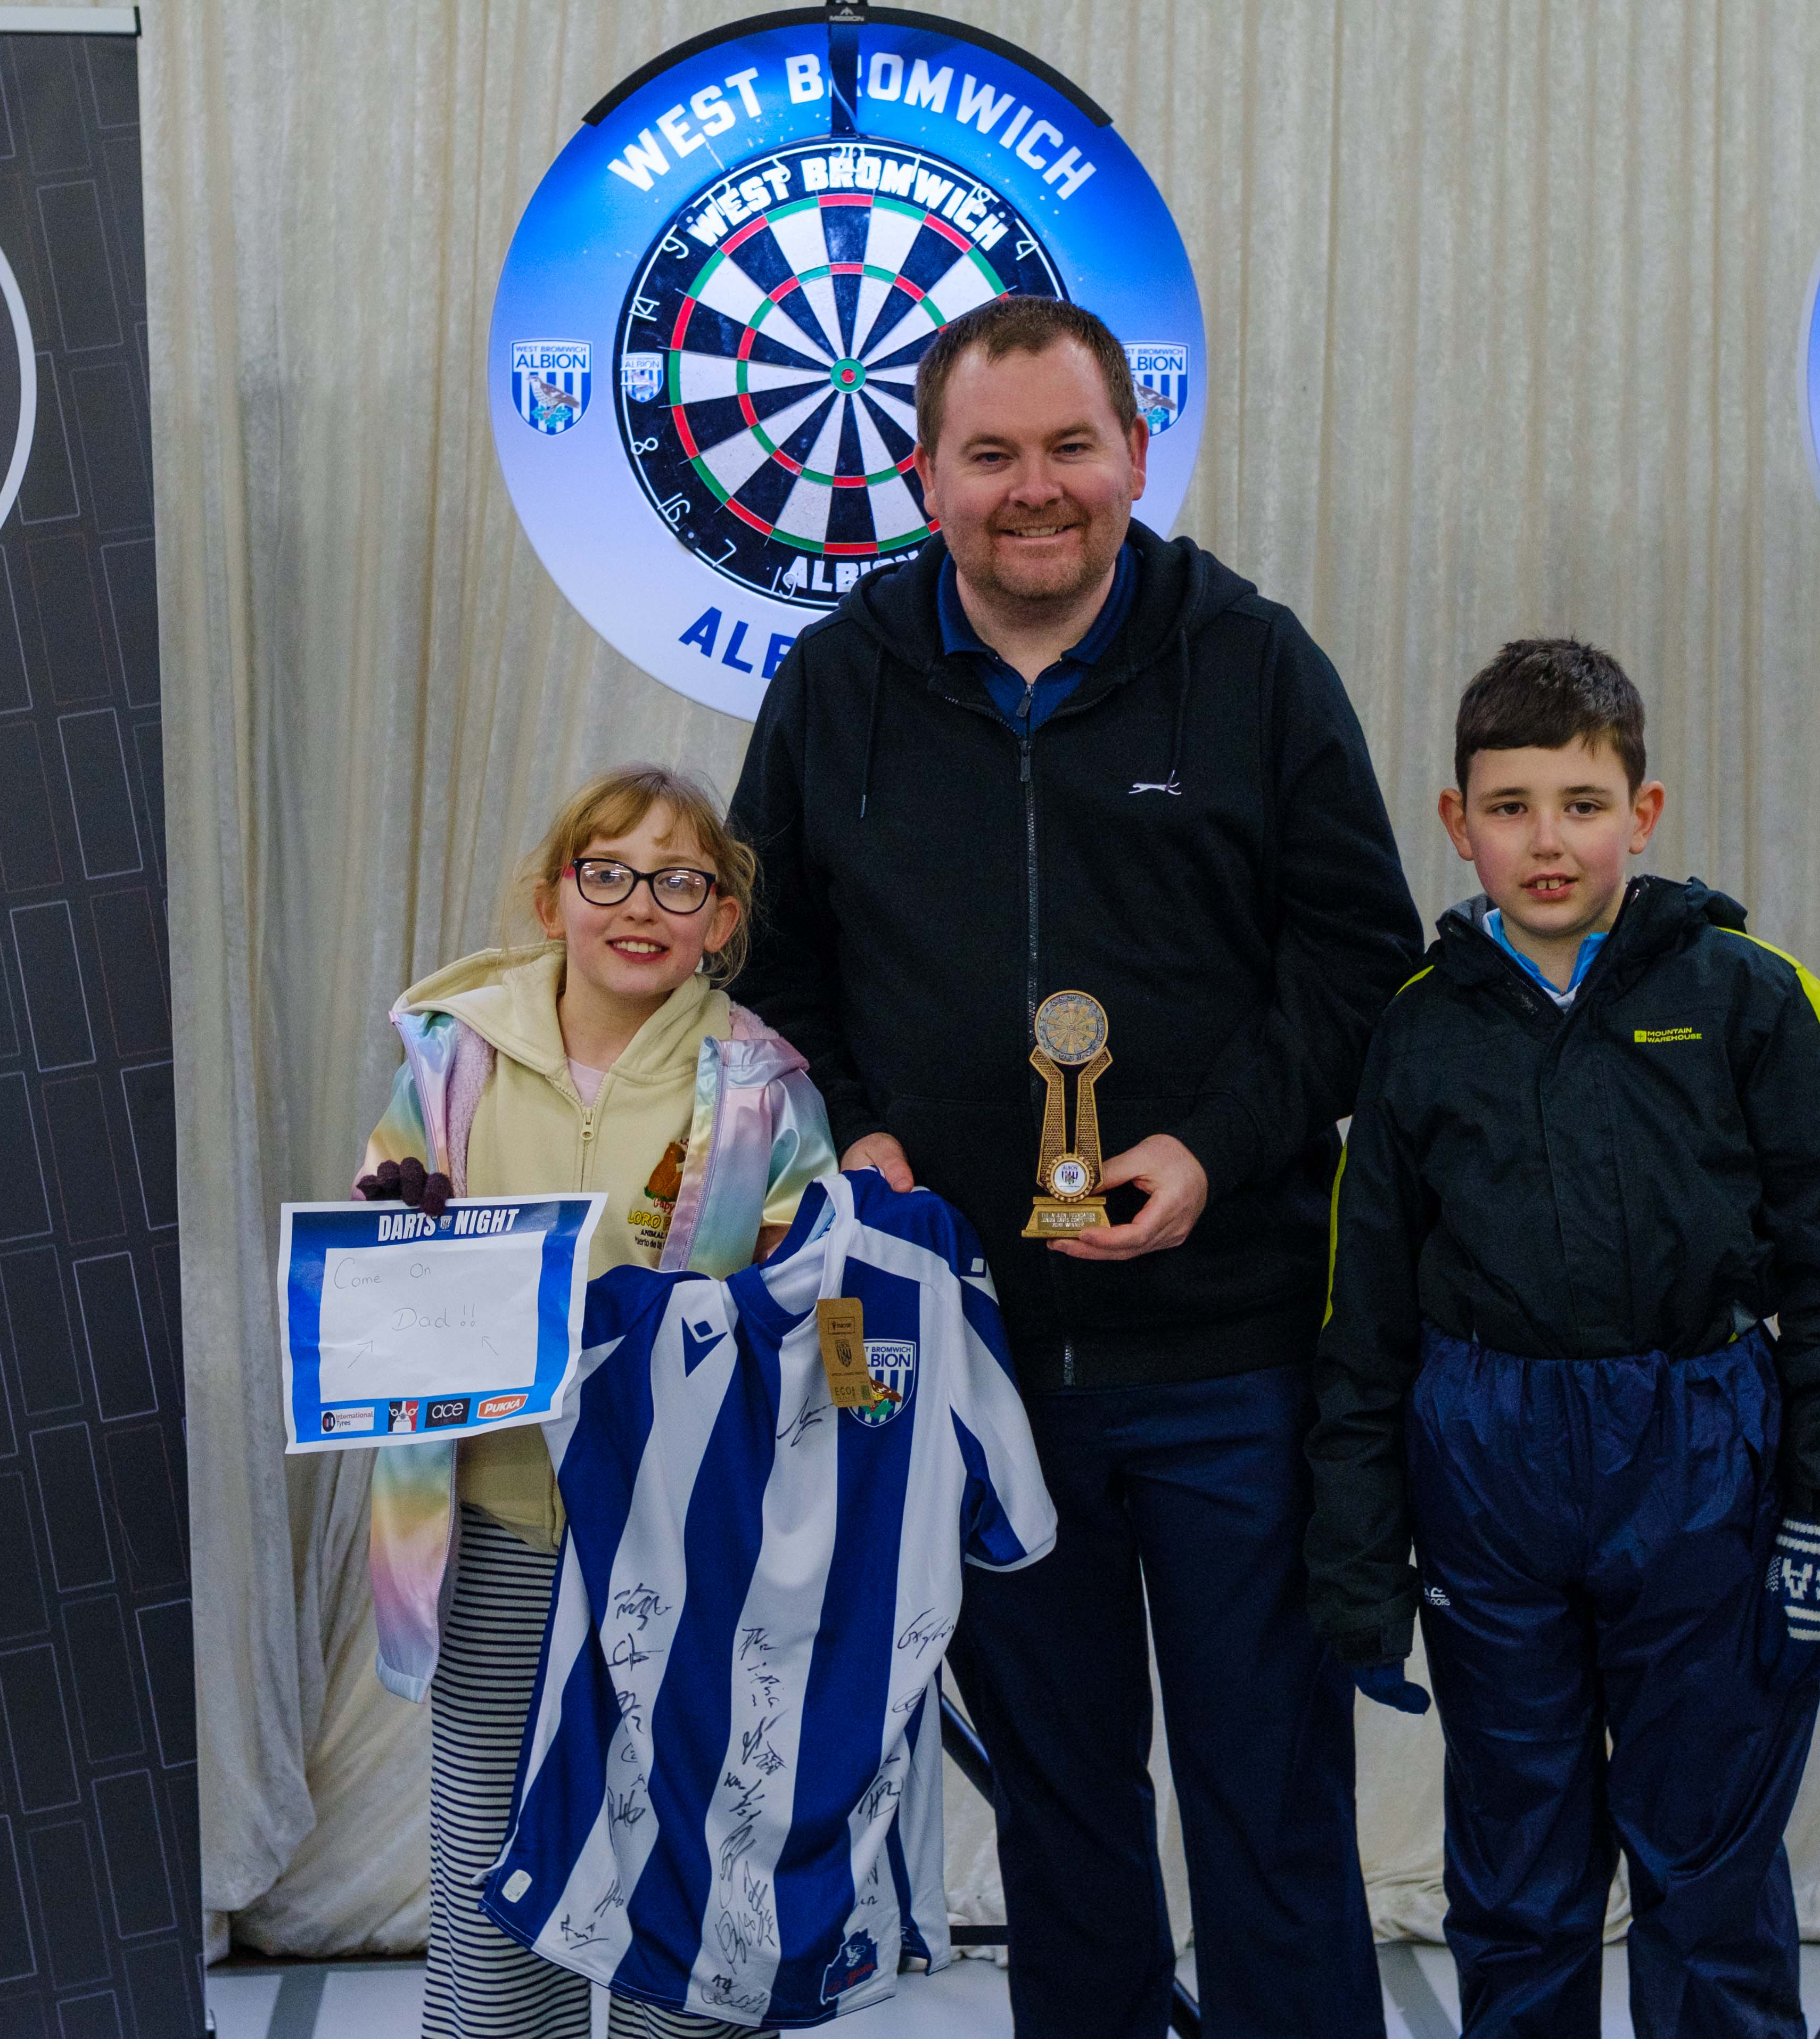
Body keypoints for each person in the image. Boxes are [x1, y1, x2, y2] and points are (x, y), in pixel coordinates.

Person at [728, 295, 1421, 2039]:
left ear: (1134, 453)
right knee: (1060, 1816)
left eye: (1068, 447)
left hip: (1230, 1361)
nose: (1032, 488)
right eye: (990, 455)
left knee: (1273, 1801)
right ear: (922, 478)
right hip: (969, 1371)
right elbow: (769, 973)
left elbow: (1360, 967)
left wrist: (1212, 1148)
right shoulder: (834, 686)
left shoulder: (1252, 664)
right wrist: (852, 1130)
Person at [1306, 641, 1820, 2039]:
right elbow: (1366, 1309)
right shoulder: (1418, 1028)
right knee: (1516, 1861)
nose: (1546, 840)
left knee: (1705, 1857)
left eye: (1580, 803)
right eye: (1509, 806)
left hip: (1697, 1457)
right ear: (1456, 821)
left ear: (1640, 814)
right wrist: (1356, 1553)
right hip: (1484, 1468)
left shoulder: (1750, 996)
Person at [352, 764, 834, 2039]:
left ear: (720, 919)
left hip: (690, 1550)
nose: (639, 905)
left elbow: (817, 1302)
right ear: (552, 896)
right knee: (496, 1860)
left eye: (678, 882)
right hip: (500, 1527)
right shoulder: (448, 1058)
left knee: (687, 1860)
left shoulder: (763, 1087)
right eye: (607, 873)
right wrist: (392, 1236)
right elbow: (373, 1252)